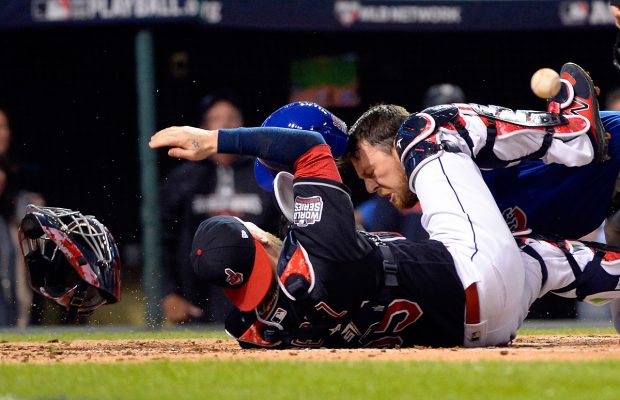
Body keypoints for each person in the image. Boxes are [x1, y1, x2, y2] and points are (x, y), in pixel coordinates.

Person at [149, 100, 620, 349]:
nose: (371, 187)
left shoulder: (262, 330)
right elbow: (307, 144)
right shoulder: (321, 249)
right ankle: (571, 132)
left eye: (371, 174)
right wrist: (217, 139)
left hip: (479, 327)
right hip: (475, 276)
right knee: (427, 125)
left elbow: (239, 317)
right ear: (260, 238)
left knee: (535, 258)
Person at [159, 93, 281, 324]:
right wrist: (168, 293)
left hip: (260, 303)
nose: (224, 125)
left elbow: (282, 235)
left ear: (243, 129)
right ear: (202, 129)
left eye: (231, 118)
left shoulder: (265, 175)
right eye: (216, 119)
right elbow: (164, 241)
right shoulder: (184, 178)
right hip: (195, 305)